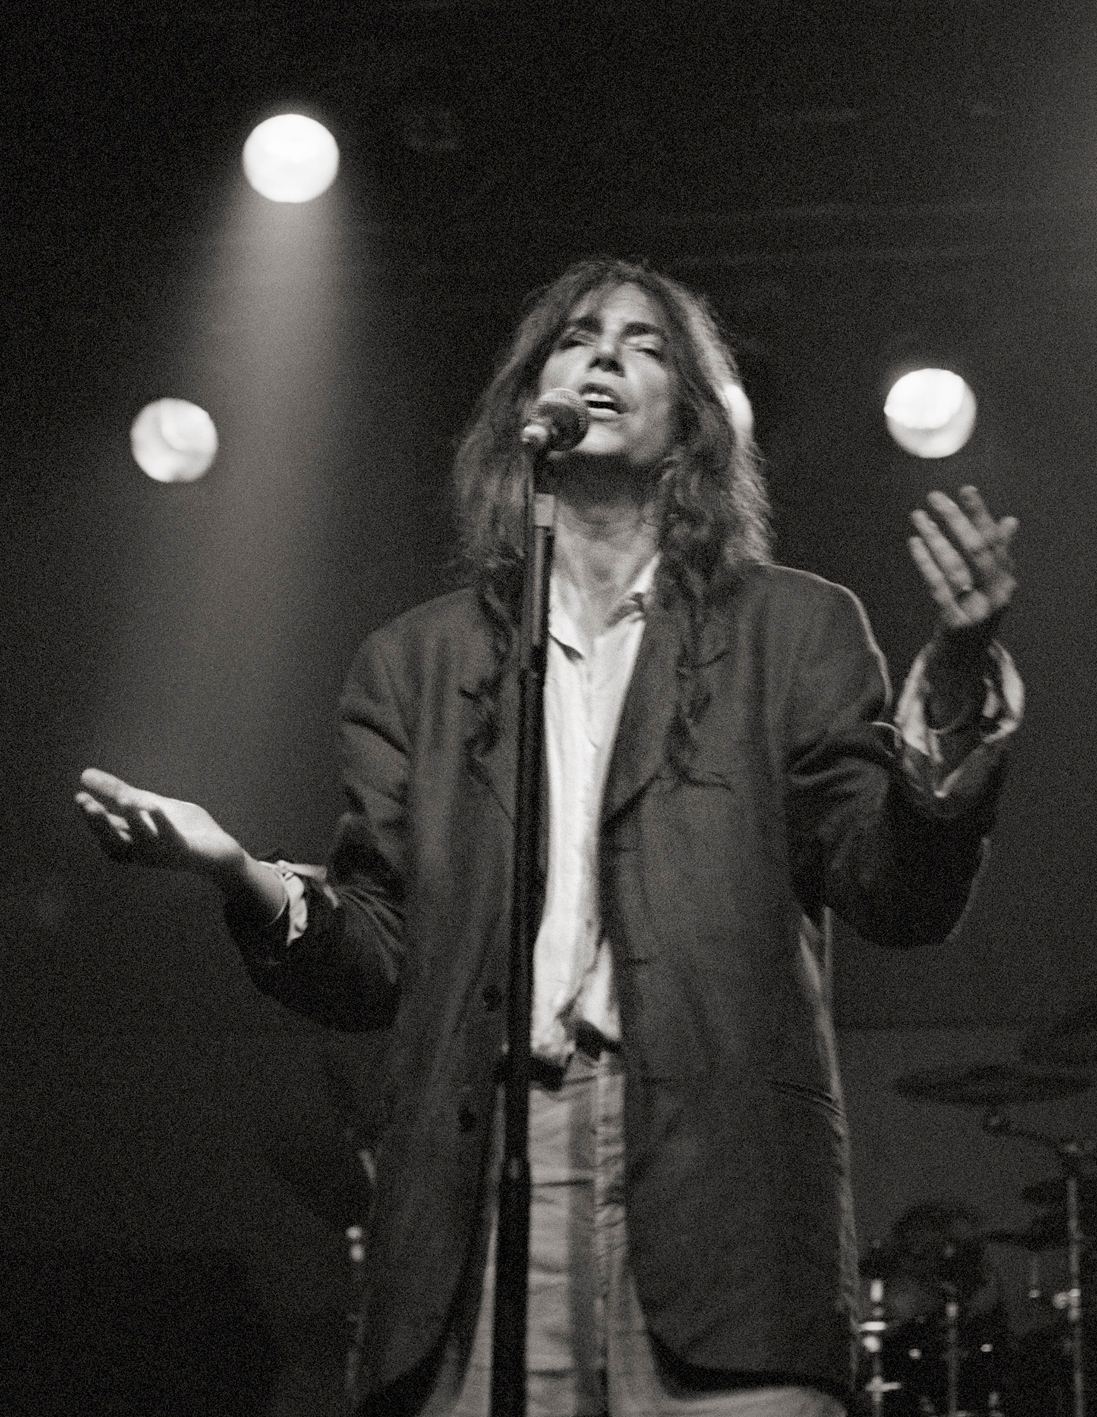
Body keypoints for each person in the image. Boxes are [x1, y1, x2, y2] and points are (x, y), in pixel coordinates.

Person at [76, 258, 1022, 1417]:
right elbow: (375, 957)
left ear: (694, 422)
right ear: (527, 401)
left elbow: (894, 893)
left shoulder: (793, 629)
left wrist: (955, 688)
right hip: (482, 1178)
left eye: (646, 343)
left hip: (719, 1187)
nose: (607, 354)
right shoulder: (414, 664)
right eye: (577, 338)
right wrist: (240, 873)